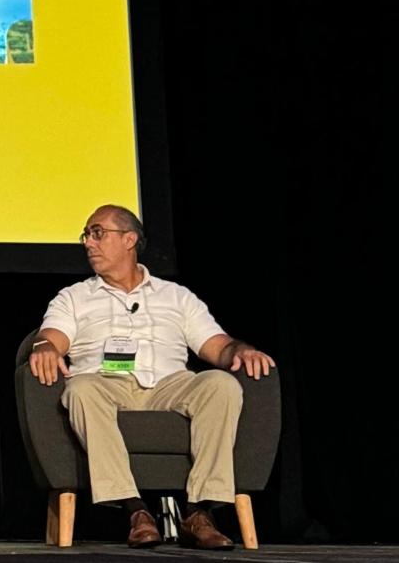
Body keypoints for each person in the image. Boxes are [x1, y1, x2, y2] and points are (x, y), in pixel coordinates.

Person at [29, 204, 275, 550]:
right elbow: (51, 336)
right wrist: (44, 347)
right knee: (80, 389)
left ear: (129, 239)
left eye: (97, 233)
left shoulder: (176, 296)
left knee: (221, 384)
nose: (88, 243)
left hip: (168, 385)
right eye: (86, 235)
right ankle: (136, 511)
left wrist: (240, 351)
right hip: (105, 384)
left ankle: (198, 512)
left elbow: (218, 346)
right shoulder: (75, 297)